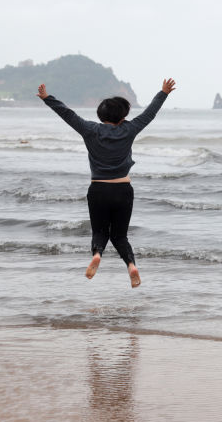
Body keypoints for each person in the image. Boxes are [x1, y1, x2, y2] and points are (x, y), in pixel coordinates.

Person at [37, 78, 176, 287]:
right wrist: (163, 93)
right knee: (120, 236)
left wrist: (48, 98)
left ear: (100, 115)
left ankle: (97, 255)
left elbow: (67, 114)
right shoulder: (129, 129)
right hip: (123, 189)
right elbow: (149, 114)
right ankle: (131, 265)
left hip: (99, 189)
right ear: (122, 117)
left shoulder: (90, 129)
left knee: (100, 232)